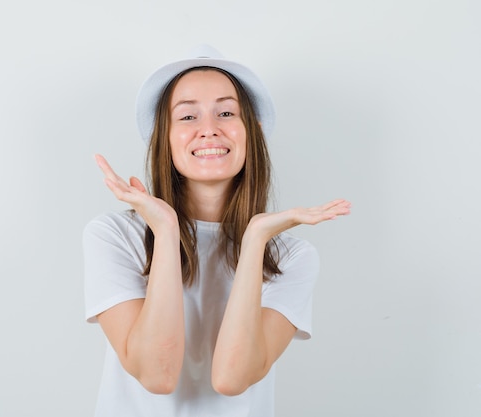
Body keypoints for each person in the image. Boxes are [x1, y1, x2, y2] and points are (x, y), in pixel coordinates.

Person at [83, 44, 351, 417]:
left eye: (226, 112)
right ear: (165, 136)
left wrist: (256, 238)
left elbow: (232, 378)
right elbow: (156, 375)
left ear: (251, 134)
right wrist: (166, 229)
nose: (209, 130)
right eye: (188, 117)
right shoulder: (113, 236)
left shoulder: (291, 257)